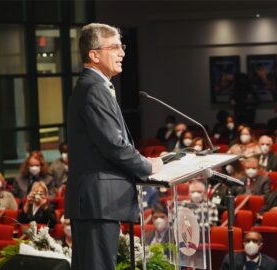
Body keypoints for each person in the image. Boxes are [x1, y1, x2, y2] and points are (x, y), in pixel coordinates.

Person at [66, 23, 161, 270]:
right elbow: (113, 145)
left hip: (99, 202)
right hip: (98, 202)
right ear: (94, 54)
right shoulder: (93, 88)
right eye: (115, 47)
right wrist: (148, 165)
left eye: (122, 46)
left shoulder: (96, 86)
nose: (122, 53)